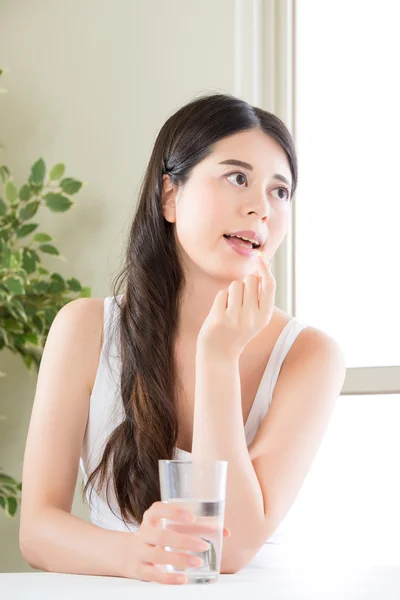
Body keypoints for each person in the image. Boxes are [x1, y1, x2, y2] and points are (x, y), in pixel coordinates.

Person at [19, 92, 346, 584]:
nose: (261, 207)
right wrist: (132, 555)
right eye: (238, 177)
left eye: (280, 191)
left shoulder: (310, 355)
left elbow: (227, 547)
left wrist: (217, 358)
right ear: (170, 196)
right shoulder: (84, 330)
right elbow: (38, 531)